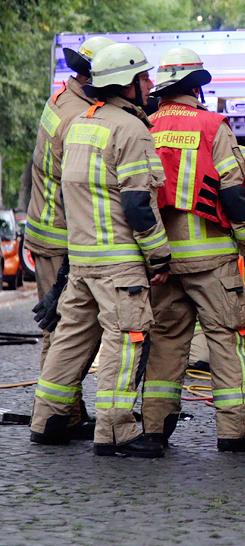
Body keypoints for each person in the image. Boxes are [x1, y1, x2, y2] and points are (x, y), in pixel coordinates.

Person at [30, 43, 171, 458]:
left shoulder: (81, 125)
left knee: (70, 339)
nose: (150, 85)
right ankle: (116, 431)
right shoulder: (130, 130)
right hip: (119, 266)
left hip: (83, 263)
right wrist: (159, 256)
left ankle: (48, 420)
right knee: (125, 341)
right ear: (128, 85)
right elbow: (137, 205)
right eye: (144, 78)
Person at [140, 47, 245, 453]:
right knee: (228, 340)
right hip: (212, 260)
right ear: (197, 86)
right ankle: (237, 433)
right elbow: (232, 191)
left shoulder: (144, 125)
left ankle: (154, 429)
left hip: (160, 259)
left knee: (165, 343)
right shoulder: (213, 126)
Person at [26, 36, 116, 441]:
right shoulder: (80, 117)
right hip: (63, 235)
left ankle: (69, 413)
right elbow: (74, 184)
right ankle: (54, 417)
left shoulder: (61, 99)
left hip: (47, 228)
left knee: (65, 325)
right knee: (62, 327)